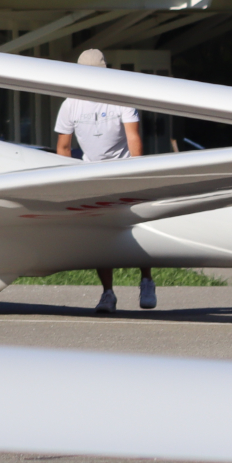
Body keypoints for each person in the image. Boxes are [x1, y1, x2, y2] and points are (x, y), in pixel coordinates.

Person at [54, 48, 155, 312]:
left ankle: (146, 280)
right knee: (100, 236)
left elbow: (133, 136)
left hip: (123, 169)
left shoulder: (120, 97)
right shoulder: (70, 104)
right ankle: (108, 293)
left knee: (137, 225)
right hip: (91, 174)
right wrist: (68, 180)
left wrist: (138, 172)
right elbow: (63, 147)